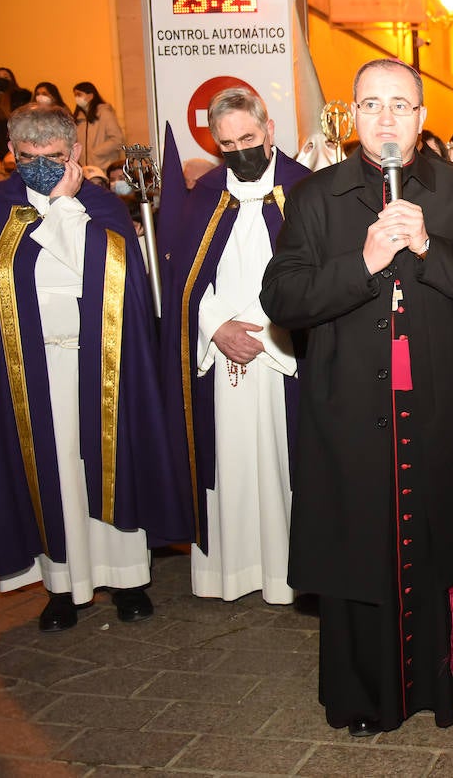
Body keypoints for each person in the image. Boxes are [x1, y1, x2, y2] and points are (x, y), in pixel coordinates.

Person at [262, 58, 453, 734]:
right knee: (364, 546)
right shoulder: (317, 196)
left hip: (449, 402)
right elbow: (282, 296)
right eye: (372, 104)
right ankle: (366, 692)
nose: (385, 117)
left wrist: (431, 248)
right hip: (356, 410)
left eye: (400, 105)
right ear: (352, 117)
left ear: (421, 117)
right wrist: (364, 264)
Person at [0, 103, 190, 631]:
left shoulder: (101, 205)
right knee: (54, 475)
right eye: (28, 157)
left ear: (76, 153)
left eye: (53, 157)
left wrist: (64, 204)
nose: (40, 166)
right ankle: (61, 587)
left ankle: (129, 580)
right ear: (11, 155)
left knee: (106, 466)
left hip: (99, 365)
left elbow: (106, 271)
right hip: (28, 368)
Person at [160, 87, 311, 604]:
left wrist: (266, 331)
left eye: (248, 137)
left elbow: (320, 276)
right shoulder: (204, 196)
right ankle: (229, 572)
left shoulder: (306, 190)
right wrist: (218, 327)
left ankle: (288, 577)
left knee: (284, 462)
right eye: (228, 144)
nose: (240, 150)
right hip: (220, 352)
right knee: (228, 462)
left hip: (283, 354)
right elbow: (183, 278)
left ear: (269, 130)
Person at [72, 82, 124, 171]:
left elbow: (117, 139)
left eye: (79, 94)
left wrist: (96, 152)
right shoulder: (78, 117)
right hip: (85, 168)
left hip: (103, 165)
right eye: (75, 95)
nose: (76, 98)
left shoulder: (104, 113)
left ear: (91, 96)